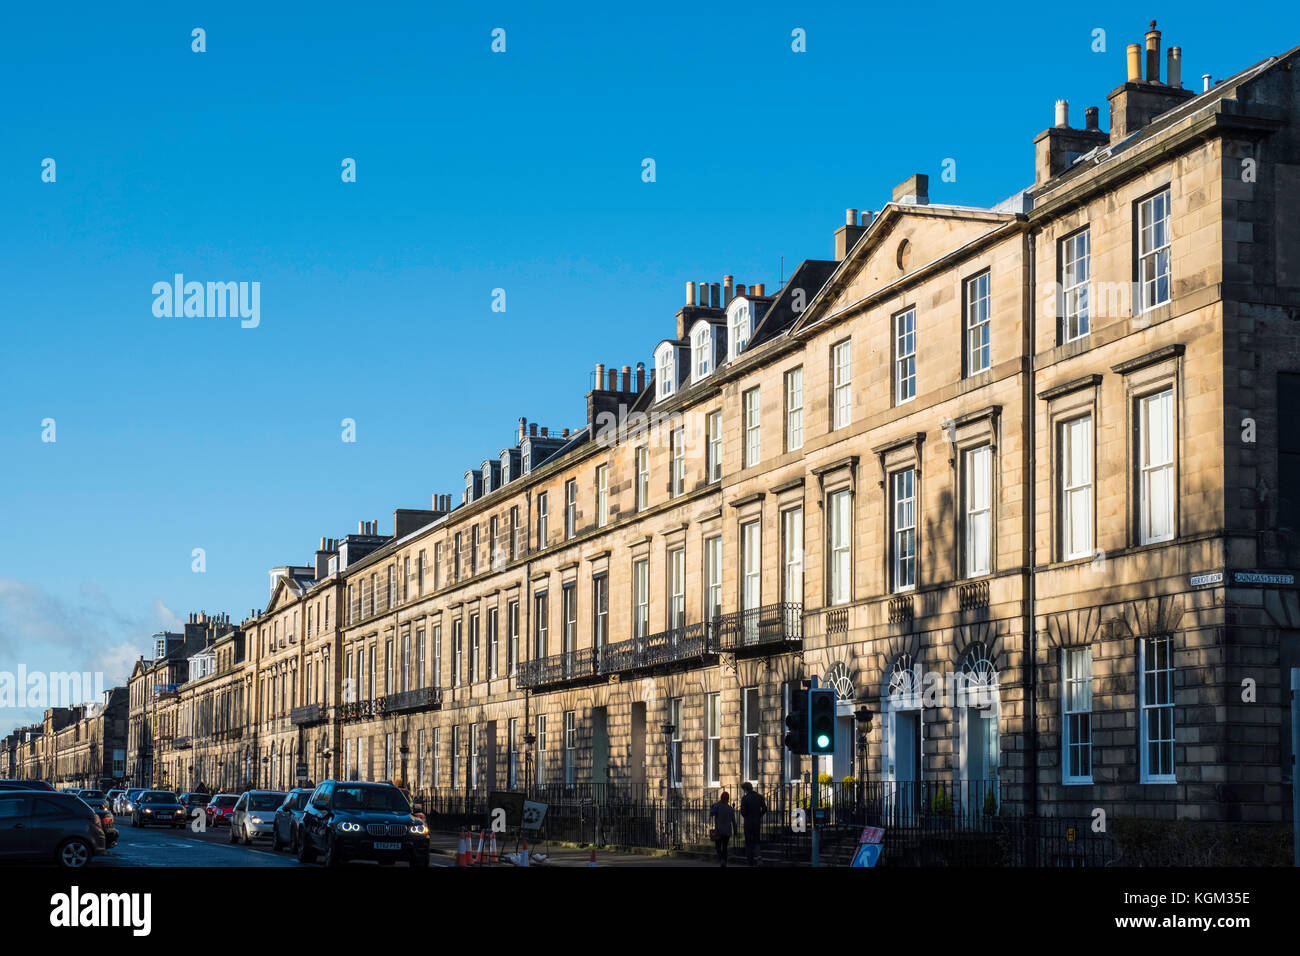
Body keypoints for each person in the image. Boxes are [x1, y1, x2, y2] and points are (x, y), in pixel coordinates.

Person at [738, 781, 768, 866]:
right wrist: (759, 815)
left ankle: (750, 860)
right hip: (756, 822)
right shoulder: (759, 797)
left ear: (745, 789)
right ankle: (758, 857)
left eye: (743, 789)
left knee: (748, 842)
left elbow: (743, 812)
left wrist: (747, 815)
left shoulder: (745, 798)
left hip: (748, 822)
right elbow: (765, 809)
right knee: (756, 840)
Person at [709, 791, 736, 866]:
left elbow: (711, 813)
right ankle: (724, 861)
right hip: (727, 831)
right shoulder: (730, 809)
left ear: (721, 797)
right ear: (728, 799)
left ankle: (721, 860)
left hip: (719, 830)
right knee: (725, 847)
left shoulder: (717, 806)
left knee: (718, 846)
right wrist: (735, 831)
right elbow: (733, 821)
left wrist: (712, 806)